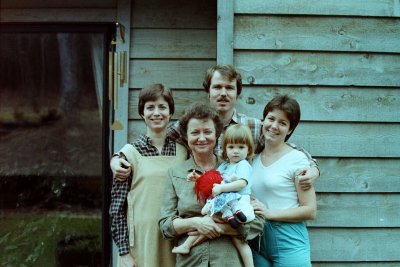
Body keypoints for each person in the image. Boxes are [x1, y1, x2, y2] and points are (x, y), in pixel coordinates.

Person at [111, 64, 320, 190]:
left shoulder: (253, 128)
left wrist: (313, 167)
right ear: (208, 91)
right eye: (217, 87)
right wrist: (118, 158)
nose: (223, 93)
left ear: (237, 93)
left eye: (229, 88)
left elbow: (286, 148)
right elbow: (153, 139)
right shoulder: (188, 126)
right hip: (197, 206)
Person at [159, 103, 264, 267]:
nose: (202, 138)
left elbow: (257, 222)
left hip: (227, 261)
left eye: (208, 132)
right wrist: (197, 223)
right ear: (186, 136)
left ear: (217, 135)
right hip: (191, 262)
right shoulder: (176, 173)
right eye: (195, 132)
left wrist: (222, 229)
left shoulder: (233, 169)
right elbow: (166, 225)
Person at [109, 84, 187, 267]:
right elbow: (117, 209)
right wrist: (124, 253)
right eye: (150, 107)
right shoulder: (128, 154)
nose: (156, 113)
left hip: (174, 242)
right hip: (141, 246)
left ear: (170, 112)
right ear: (142, 114)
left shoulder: (183, 152)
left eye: (162, 107)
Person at [249, 95, 317, 266]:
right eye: (271, 119)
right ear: (263, 120)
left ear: (290, 130)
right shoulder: (253, 159)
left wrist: (269, 213)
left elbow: (310, 210)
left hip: (289, 241)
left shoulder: (298, 159)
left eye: (282, 123)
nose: (274, 126)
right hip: (257, 242)